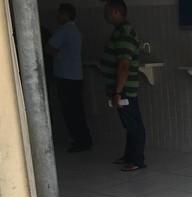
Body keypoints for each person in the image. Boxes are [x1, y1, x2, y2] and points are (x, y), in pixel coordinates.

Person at [100, 0, 146, 172]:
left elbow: (124, 65)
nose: (105, 14)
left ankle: (137, 160)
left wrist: (118, 91)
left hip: (124, 88)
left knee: (133, 124)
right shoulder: (119, 31)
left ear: (116, 12)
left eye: (107, 11)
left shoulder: (124, 33)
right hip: (122, 87)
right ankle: (129, 156)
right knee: (129, 123)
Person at [46, 3, 93, 152]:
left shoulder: (63, 30)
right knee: (77, 111)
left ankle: (79, 141)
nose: (57, 16)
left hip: (66, 77)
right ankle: (84, 140)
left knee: (70, 111)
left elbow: (49, 48)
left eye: (59, 14)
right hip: (76, 76)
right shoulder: (75, 30)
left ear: (65, 15)